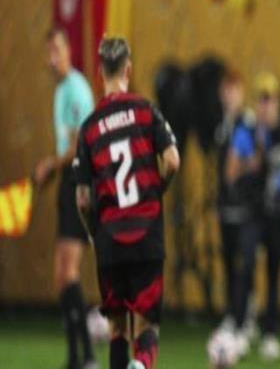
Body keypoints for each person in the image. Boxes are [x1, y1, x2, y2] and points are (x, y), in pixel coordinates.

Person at [73, 38, 180, 369]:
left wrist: (93, 233)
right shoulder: (146, 111)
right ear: (129, 70)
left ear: (99, 74)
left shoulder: (90, 128)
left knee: (117, 327)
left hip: (110, 240)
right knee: (147, 326)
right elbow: (173, 161)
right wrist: (157, 191)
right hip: (147, 235)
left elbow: (83, 200)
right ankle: (142, 365)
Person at [225, 71, 280, 359]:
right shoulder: (247, 131)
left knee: (274, 271)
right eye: (262, 100)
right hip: (252, 211)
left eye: (270, 100)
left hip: (276, 212)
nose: (266, 106)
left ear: (277, 103)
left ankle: (270, 332)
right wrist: (251, 164)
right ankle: (242, 326)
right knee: (245, 264)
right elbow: (230, 173)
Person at [34, 27, 96, 369]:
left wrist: (49, 165)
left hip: (79, 182)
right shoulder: (60, 91)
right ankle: (75, 357)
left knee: (68, 272)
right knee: (62, 276)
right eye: (48, 52)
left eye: (56, 50)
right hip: (66, 182)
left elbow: (77, 147)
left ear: (69, 51)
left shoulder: (76, 90)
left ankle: (87, 357)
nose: (51, 58)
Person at [214, 70, 246, 330]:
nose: (229, 96)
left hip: (245, 208)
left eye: (234, 90)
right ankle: (231, 313)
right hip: (226, 206)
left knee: (244, 263)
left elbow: (253, 163)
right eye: (226, 90)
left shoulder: (247, 124)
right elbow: (219, 171)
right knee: (227, 261)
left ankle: (245, 314)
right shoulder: (221, 128)